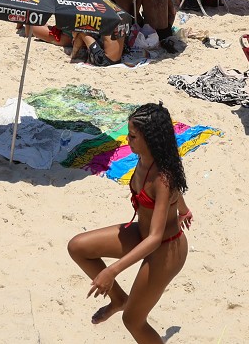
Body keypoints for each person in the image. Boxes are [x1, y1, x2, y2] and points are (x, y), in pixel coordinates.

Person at [68, 102, 192, 343]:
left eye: (133, 136)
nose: (127, 140)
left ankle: (124, 306)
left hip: (166, 248)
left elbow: (156, 237)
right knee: (78, 247)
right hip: (143, 235)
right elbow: (175, 198)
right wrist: (184, 211)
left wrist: (112, 271)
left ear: (151, 139)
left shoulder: (163, 177)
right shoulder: (143, 158)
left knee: (133, 321)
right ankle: (119, 299)